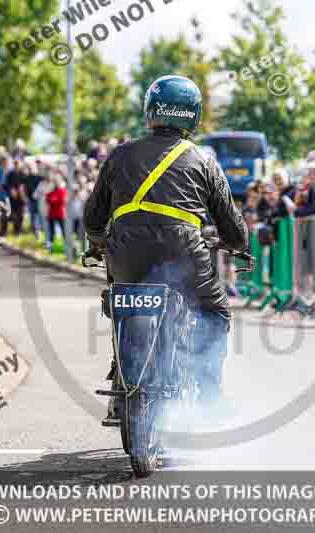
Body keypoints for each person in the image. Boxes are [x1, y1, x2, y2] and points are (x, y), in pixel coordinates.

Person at [84, 75, 248, 421]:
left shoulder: (120, 154)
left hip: (126, 251)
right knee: (215, 311)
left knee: (122, 301)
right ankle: (209, 391)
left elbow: (93, 216)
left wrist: (97, 243)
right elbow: (230, 225)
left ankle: (120, 381)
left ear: (150, 111)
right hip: (183, 251)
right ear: (193, 114)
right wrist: (237, 245)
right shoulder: (203, 160)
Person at [45, 176, 67, 250]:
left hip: (60, 213)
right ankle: (50, 245)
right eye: (54, 182)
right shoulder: (51, 191)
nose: (55, 183)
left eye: (56, 182)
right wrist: (53, 199)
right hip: (51, 214)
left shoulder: (62, 190)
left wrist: (53, 200)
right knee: (51, 231)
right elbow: (47, 199)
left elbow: (61, 200)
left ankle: (66, 245)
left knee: (63, 230)